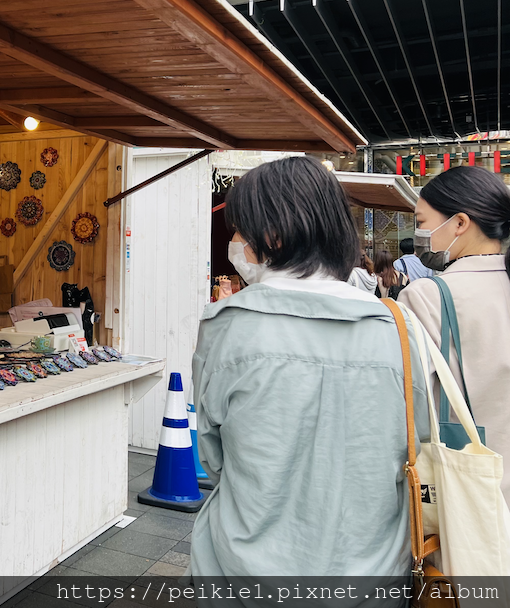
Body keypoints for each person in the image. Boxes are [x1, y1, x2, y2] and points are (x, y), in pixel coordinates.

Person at [193, 156, 429, 581]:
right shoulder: (399, 327)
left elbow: (213, 458)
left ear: (272, 235)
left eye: (240, 230)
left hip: (245, 568)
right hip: (373, 570)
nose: (236, 242)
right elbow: (417, 443)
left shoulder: (228, 326)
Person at [398, 165, 510, 503]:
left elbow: (408, 403)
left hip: (470, 491)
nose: (420, 234)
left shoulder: (427, 296)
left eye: (421, 222)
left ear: (460, 223)